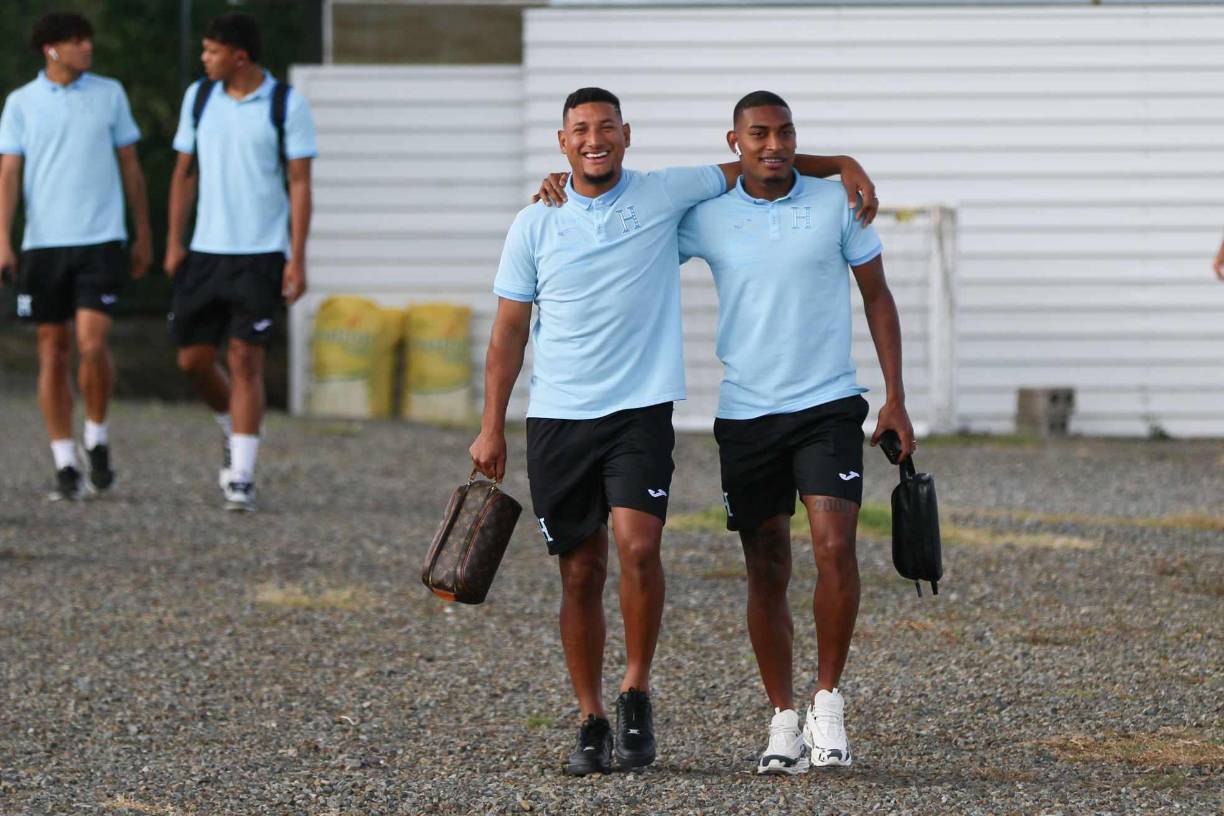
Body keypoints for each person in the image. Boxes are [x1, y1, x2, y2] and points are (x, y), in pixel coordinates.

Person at [469, 87, 878, 776]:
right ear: (562, 141)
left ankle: (635, 692)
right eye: (580, 130)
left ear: (626, 135)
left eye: (606, 128)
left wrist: (838, 162)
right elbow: (508, 335)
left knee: (638, 547)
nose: (594, 139)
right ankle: (591, 717)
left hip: (639, 409)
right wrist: (490, 427)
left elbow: (762, 161)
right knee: (579, 571)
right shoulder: (533, 223)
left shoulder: (664, 195)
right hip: (558, 416)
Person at [677, 91, 914, 775]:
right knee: (767, 566)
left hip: (828, 406)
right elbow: (634, 216)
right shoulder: (707, 216)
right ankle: (783, 716)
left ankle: (827, 699)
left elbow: (877, 294)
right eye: (759, 135)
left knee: (835, 545)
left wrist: (895, 399)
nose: (774, 145)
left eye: (785, 134)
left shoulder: (834, 202)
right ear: (736, 140)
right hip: (747, 414)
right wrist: (559, 188)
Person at [165, 12, 316, 511]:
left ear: (240, 57)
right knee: (192, 359)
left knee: (246, 360)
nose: (205, 59)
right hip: (206, 252)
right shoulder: (199, 97)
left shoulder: (285, 104)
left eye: (212, 51)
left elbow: (299, 183)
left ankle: (242, 476)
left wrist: (297, 257)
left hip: (261, 253)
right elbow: (184, 173)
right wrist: (173, 240)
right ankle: (233, 425)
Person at [0, 11, 152, 500]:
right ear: (51, 49)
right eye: (76, 41)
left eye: (88, 39)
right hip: (44, 244)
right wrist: (2, 237)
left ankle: (98, 437)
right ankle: (65, 461)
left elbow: (131, 167)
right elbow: (8, 175)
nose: (87, 47)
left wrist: (142, 230)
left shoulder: (110, 94)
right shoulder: (20, 103)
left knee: (91, 342)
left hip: (101, 239)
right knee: (52, 348)